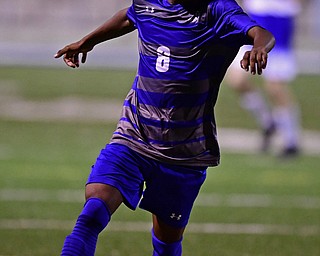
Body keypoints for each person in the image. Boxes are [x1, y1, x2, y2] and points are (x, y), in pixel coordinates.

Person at [54, 0, 275, 255]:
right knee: (91, 214)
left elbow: (261, 33)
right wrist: (89, 40)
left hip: (185, 150)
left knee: (167, 243)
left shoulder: (217, 9)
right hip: (135, 133)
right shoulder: (148, 2)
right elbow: (128, 16)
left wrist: (259, 47)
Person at [226, 0, 302, 157]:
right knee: (237, 79)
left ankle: (291, 141)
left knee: (275, 86)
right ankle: (268, 122)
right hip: (256, 19)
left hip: (279, 20)